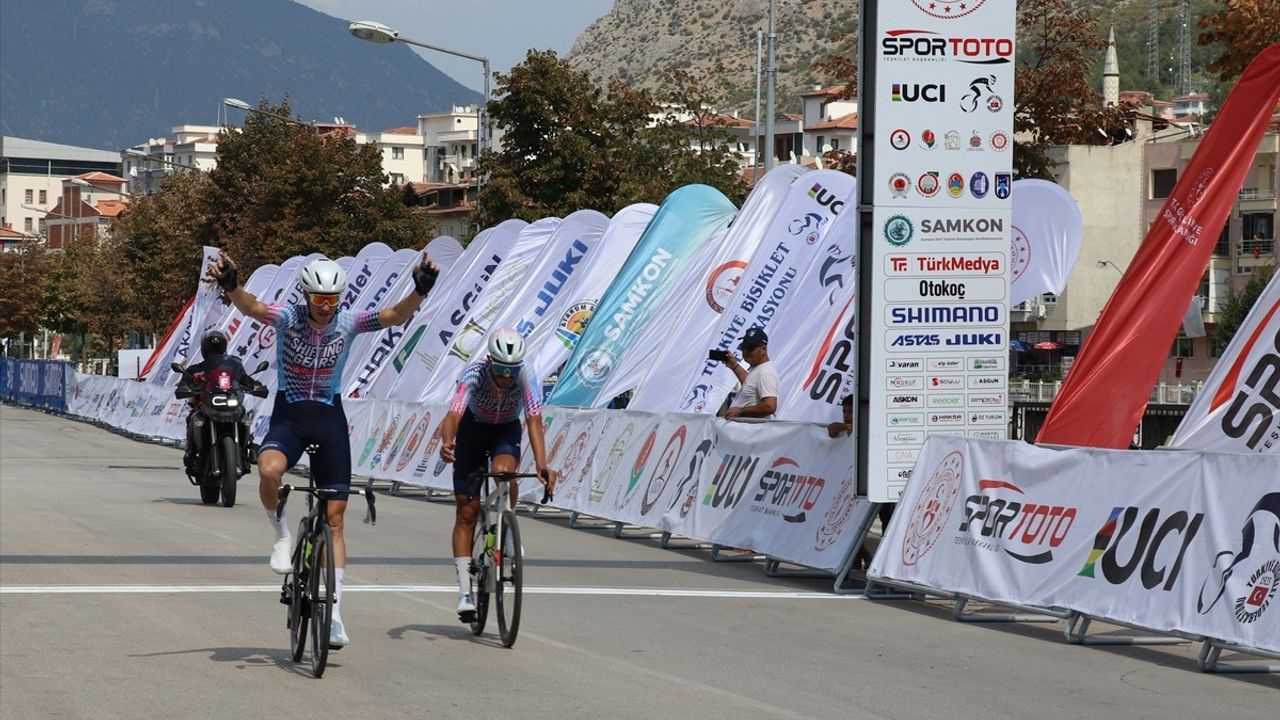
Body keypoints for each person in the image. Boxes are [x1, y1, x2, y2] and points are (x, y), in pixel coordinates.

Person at [209, 251, 439, 649]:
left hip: (330, 419)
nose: (327, 306)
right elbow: (253, 307)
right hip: (291, 416)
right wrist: (232, 285)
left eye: (333, 298)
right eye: (319, 299)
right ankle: (281, 534)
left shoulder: (348, 322)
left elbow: (393, 316)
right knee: (267, 470)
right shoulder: (288, 317)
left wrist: (419, 290)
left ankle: (333, 614)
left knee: (335, 519)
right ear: (306, 296)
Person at [437, 327, 556, 621]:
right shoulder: (475, 373)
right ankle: (465, 592)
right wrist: (447, 442)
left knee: (505, 472)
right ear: (490, 361)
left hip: (505, 429)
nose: (506, 376)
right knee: (467, 511)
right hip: (472, 430)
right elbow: (453, 414)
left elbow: (534, 420)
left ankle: (506, 526)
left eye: (511, 370)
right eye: (501, 368)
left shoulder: (525, 373)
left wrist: (543, 464)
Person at [175, 329, 266, 476]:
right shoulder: (197, 368)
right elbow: (184, 382)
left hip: (230, 402)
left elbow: (245, 380)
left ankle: (247, 450)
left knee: (244, 418)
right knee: (194, 418)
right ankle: (191, 453)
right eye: (211, 350)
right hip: (207, 404)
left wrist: (256, 386)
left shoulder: (234, 367)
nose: (214, 352)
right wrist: (184, 387)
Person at [714, 327, 779, 420]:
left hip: (753, 432)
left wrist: (740, 411)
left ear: (763, 349)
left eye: (750, 348)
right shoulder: (758, 369)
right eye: (743, 346)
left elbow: (770, 406)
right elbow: (750, 384)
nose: (745, 351)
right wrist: (734, 365)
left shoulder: (766, 373)